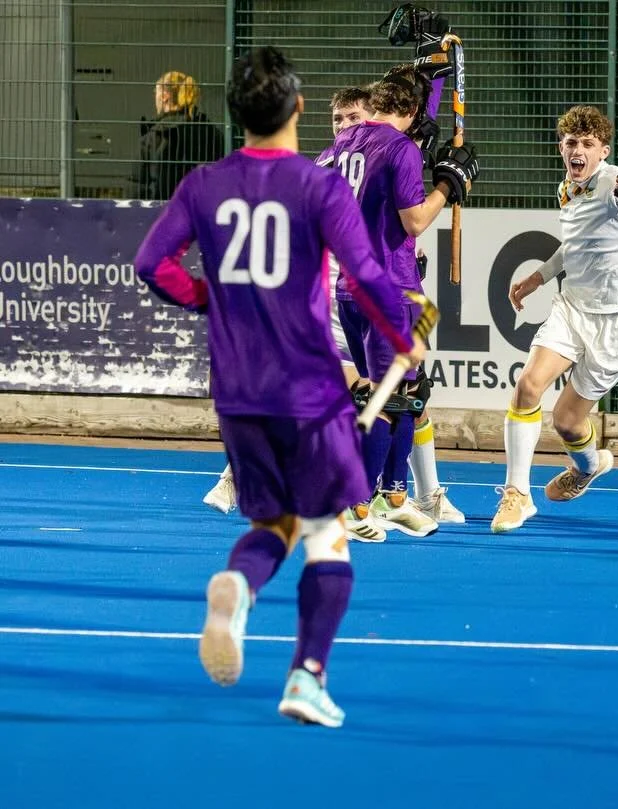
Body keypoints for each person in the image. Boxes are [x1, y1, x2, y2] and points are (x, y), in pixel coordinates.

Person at [133, 46, 424, 726]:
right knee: (327, 535)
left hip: (237, 393)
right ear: (298, 109)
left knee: (275, 522)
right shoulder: (318, 185)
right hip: (307, 388)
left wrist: (208, 296)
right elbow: (368, 272)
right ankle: (306, 675)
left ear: (237, 115)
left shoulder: (203, 183)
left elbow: (152, 263)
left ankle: (238, 584)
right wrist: (403, 335)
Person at [203, 85, 376, 523]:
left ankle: (413, 492)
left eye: (354, 118)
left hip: (359, 299)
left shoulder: (380, 161)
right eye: (338, 119)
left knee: (396, 394)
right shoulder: (320, 165)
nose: (344, 127)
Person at [329, 66, 478, 540]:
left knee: (407, 396)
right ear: (412, 112)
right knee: (391, 403)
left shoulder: (342, 145)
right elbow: (414, 222)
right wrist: (448, 185)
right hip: (389, 290)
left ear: (373, 106)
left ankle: (394, 497)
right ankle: (356, 506)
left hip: (350, 289)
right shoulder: (401, 149)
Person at [498, 105, 618, 532]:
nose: (577, 150)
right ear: (561, 148)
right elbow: (574, 244)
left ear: (603, 151)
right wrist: (539, 276)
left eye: (587, 144)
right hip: (573, 307)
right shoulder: (565, 188)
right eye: (571, 143)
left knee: (566, 421)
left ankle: (588, 467)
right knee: (528, 385)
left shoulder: (613, 183)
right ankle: (517, 494)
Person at [135, 70, 225, 200]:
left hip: (163, 213)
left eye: (156, 91)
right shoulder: (211, 133)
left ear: (164, 96)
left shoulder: (155, 136)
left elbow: (138, 186)